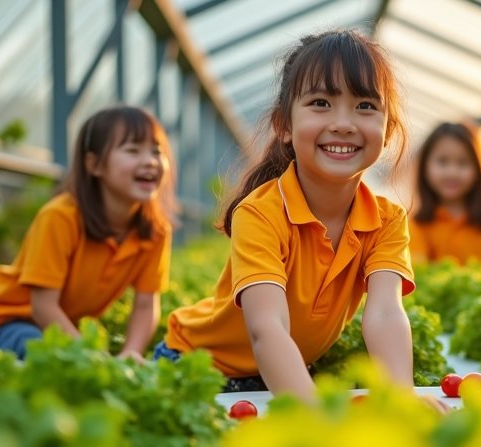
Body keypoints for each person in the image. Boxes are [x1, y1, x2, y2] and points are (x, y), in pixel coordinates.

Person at [156, 30, 422, 404]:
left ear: (388, 129)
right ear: (284, 125)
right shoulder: (261, 213)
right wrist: (315, 416)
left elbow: (384, 314)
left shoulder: (388, 220)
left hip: (277, 374)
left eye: (365, 106)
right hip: (198, 367)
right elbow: (268, 328)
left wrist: (402, 398)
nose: (343, 122)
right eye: (320, 103)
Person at [0, 106, 176, 362]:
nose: (150, 161)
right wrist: (91, 357)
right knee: (45, 353)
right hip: (5, 319)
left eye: (157, 151)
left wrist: (131, 351)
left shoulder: (155, 230)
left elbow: (145, 304)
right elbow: (42, 306)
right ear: (94, 164)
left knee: (69, 360)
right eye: (133, 150)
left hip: (52, 326)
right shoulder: (61, 217)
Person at [408, 122, 481, 271]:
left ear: (479, 169)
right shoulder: (418, 223)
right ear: (425, 167)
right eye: (442, 162)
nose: (452, 172)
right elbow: (417, 273)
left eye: (463, 163)